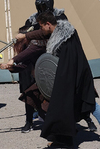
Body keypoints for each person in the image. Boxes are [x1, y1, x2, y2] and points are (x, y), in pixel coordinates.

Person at [7, 0, 68, 133]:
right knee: (28, 88)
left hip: (53, 58)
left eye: (43, 2)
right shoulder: (33, 19)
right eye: (38, 3)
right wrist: (21, 35)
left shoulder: (59, 17)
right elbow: (24, 30)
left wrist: (29, 35)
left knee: (58, 90)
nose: (41, 5)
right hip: (34, 58)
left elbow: (56, 35)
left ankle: (80, 119)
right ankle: (29, 121)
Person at [37, 12, 96, 148]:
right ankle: (59, 139)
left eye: (41, 27)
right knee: (61, 110)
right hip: (68, 77)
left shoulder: (65, 39)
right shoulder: (64, 35)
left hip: (69, 78)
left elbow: (69, 63)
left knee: (63, 109)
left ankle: (65, 141)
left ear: (48, 24)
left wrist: (62, 83)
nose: (41, 30)